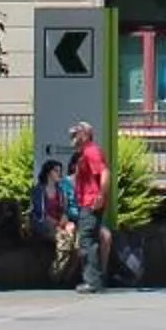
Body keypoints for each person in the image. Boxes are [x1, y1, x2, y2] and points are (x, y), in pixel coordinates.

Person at [69, 122, 111, 292]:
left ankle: (92, 281)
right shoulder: (85, 153)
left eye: (75, 135)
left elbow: (104, 172)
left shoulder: (90, 151)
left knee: (87, 240)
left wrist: (100, 195)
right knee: (89, 239)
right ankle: (95, 280)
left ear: (85, 135)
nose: (72, 138)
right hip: (88, 202)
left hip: (91, 203)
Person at [33, 157, 80, 284]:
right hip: (45, 224)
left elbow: (64, 210)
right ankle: (55, 275)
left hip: (59, 223)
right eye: (56, 171)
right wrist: (58, 225)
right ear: (48, 173)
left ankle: (68, 276)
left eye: (60, 171)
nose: (59, 174)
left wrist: (65, 220)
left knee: (77, 242)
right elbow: (41, 214)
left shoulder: (60, 190)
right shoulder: (39, 190)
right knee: (64, 239)